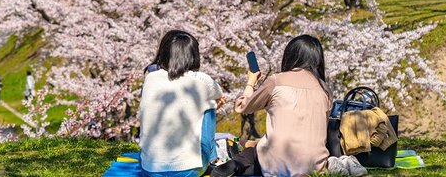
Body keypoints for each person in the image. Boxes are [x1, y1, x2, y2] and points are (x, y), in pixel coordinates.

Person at [211, 35, 331, 177]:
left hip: (278, 163)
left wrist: (251, 81)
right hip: (315, 165)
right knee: (258, 145)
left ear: (290, 56)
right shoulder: (325, 90)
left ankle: (235, 163)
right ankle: (239, 161)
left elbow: (243, 106)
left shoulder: (277, 81)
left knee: (256, 150)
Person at [139, 30, 224, 177]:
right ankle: (211, 159)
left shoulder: (150, 78)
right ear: (193, 55)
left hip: (149, 167)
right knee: (210, 103)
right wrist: (214, 103)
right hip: (187, 169)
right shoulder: (201, 80)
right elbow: (220, 94)